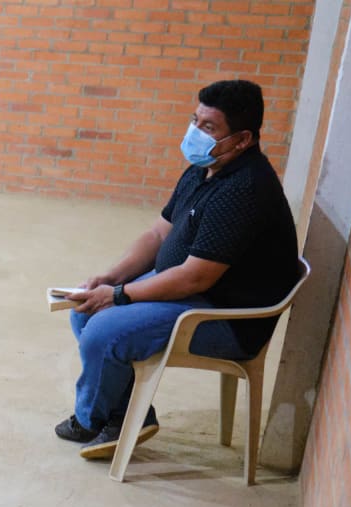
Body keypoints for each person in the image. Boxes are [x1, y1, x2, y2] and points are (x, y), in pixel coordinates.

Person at [55, 80, 299, 458]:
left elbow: (195, 276)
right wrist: (111, 278)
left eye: (209, 128)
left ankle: (94, 419)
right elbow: (158, 232)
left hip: (225, 315)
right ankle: (123, 414)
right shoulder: (205, 169)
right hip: (192, 291)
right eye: (195, 120)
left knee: (104, 327)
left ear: (243, 138)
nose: (196, 133)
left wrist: (120, 295)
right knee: (84, 309)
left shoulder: (244, 190)